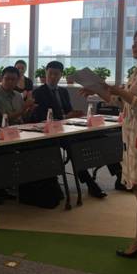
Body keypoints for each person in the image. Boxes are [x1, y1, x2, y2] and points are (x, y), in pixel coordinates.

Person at [82, 26, 137, 258]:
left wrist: (122, 92)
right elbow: (124, 103)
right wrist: (98, 90)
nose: (133, 46)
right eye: (134, 41)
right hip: (133, 134)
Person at [32, 61, 114, 198]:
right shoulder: (38, 92)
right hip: (52, 132)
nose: (53, 77)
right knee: (74, 148)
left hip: (68, 128)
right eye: (50, 74)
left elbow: (68, 111)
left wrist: (75, 114)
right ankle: (90, 183)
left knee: (100, 138)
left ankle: (119, 176)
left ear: (61, 75)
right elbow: (40, 117)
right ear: (46, 74)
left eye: (56, 74)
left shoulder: (63, 91)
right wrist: (65, 116)